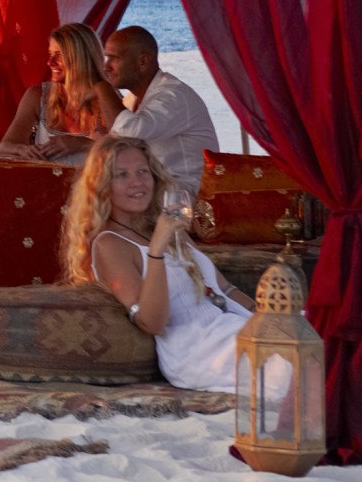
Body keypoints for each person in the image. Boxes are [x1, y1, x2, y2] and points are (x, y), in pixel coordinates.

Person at [62, 134, 254, 391]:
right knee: (300, 359)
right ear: (103, 185)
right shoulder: (110, 244)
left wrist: (268, 315)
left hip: (230, 325)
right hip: (196, 348)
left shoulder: (166, 228)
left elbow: (225, 289)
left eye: (143, 171)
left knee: (311, 332)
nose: (137, 182)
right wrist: (157, 249)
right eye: (122, 175)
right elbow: (152, 322)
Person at [103, 26, 217, 197]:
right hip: (155, 195)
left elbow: (130, 135)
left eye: (114, 59)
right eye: (107, 59)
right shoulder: (130, 100)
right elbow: (117, 146)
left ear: (143, 61)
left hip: (188, 201)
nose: (106, 67)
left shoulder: (174, 96)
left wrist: (102, 88)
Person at [0, 23, 123, 164]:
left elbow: (126, 151)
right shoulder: (37, 95)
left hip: (92, 185)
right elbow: (4, 147)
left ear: (81, 57)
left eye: (59, 55)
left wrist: (82, 144)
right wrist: (23, 150)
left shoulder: (108, 98)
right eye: (50, 54)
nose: (50, 62)